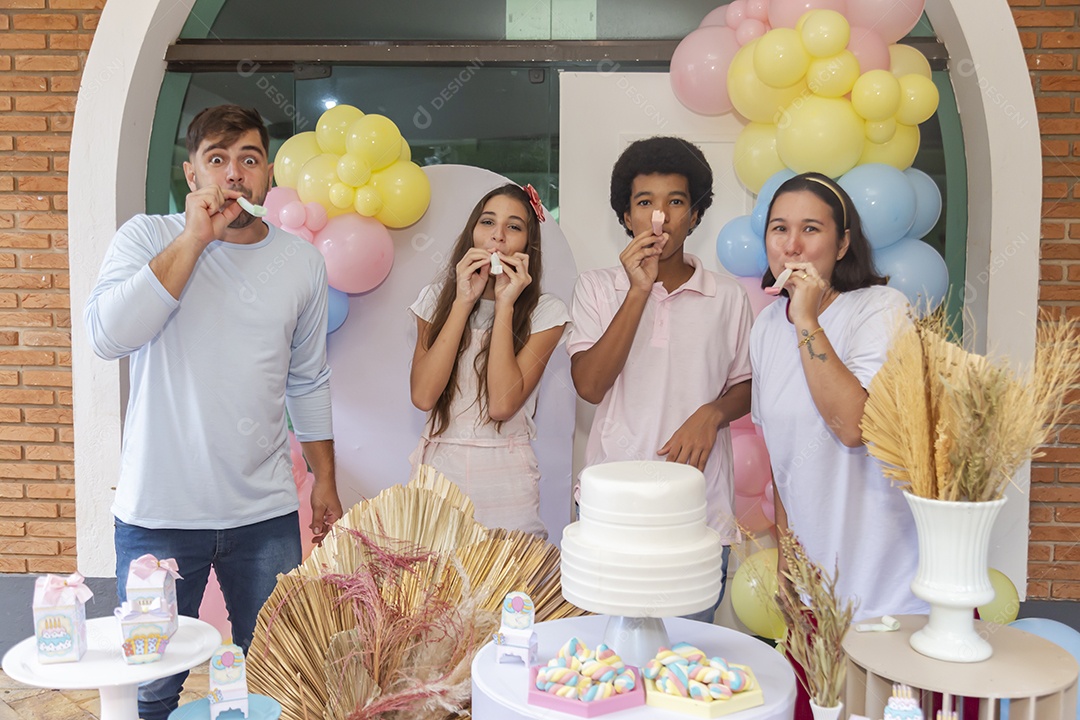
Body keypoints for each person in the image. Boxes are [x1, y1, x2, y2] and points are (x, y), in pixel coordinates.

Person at [84, 105, 342, 720]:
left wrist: (326, 478)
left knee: (277, 678)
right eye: (217, 160)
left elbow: (309, 378)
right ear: (190, 172)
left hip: (266, 515)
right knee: (153, 685)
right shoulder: (149, 237)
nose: (234, 175)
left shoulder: (300, 263)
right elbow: (108, 336)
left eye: (248, 160)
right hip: (159, 516)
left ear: (269, 175)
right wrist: (194, 238)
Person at [749, 172, 925, 719]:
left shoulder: (880, 308)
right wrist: (785, 560)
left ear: (843, 243)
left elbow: (853, 424)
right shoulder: (764, 329)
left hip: (890, 589)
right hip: (815, 593)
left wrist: (806, 319)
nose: (792, 245)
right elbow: (781, 457)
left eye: (810, 229)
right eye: (780, 229)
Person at [566, 136, 753, 623]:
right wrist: (637, 292)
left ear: (696, 215)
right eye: (645, 202)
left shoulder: (728, 297)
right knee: (609, 663)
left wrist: (713, 413)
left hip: (698, 509)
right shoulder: (597, 287)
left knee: (687, 665)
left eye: (675, 202)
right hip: (613, 508)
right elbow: (589, 385)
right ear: (625, 216)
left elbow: (748, 384)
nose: (660, 217)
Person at [408, 183, 568, 538]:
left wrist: (506, 304)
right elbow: (423, 395)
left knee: (508, 588)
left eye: (513, 227)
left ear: (529, 244)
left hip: (507, 474)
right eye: (487, 222)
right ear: (471, 233)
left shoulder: (546, 312)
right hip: (439, 474)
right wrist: (463, 302)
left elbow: (501, 404)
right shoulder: (435, 300)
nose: (497, 237)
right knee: (434, 590)